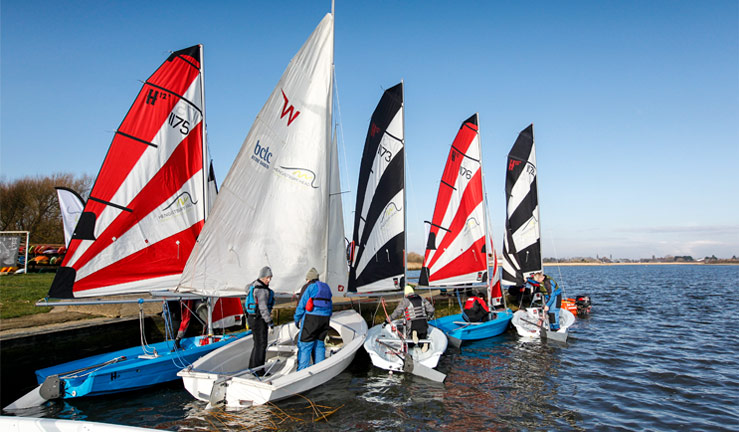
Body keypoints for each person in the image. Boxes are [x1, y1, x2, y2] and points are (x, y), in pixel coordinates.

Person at [293, 267, 333, 371]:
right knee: (319, 344)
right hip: (325, 319)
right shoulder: (327, 287)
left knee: (305, 345)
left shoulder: (310, 287)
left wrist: (296, 319)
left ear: (309, 279)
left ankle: (302, 371)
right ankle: (320, 369)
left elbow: (302, 305)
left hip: (312, 319)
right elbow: (330, 305)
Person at [243, 266, 275, 374]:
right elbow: (263, 308)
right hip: (259, 320)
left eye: (270, 278)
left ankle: (252, 367)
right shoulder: (262, 291)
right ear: (262, 277)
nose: (269, 280)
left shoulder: (253, 286)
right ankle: (259, 370)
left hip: (252, 318)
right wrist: (269, 322)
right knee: (262, 344)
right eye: (267, 278)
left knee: (257, 344)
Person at [389, 285, 435, 351]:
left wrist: (388, 320)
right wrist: (429, 316)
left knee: (410, 343)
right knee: (422, 336)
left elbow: (397, 312)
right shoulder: (421, 298)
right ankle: (423, 344)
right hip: (424, 324)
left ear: (406, 293)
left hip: (413, 324)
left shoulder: (406, 301)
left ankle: (414, 333)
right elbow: (431, 310)